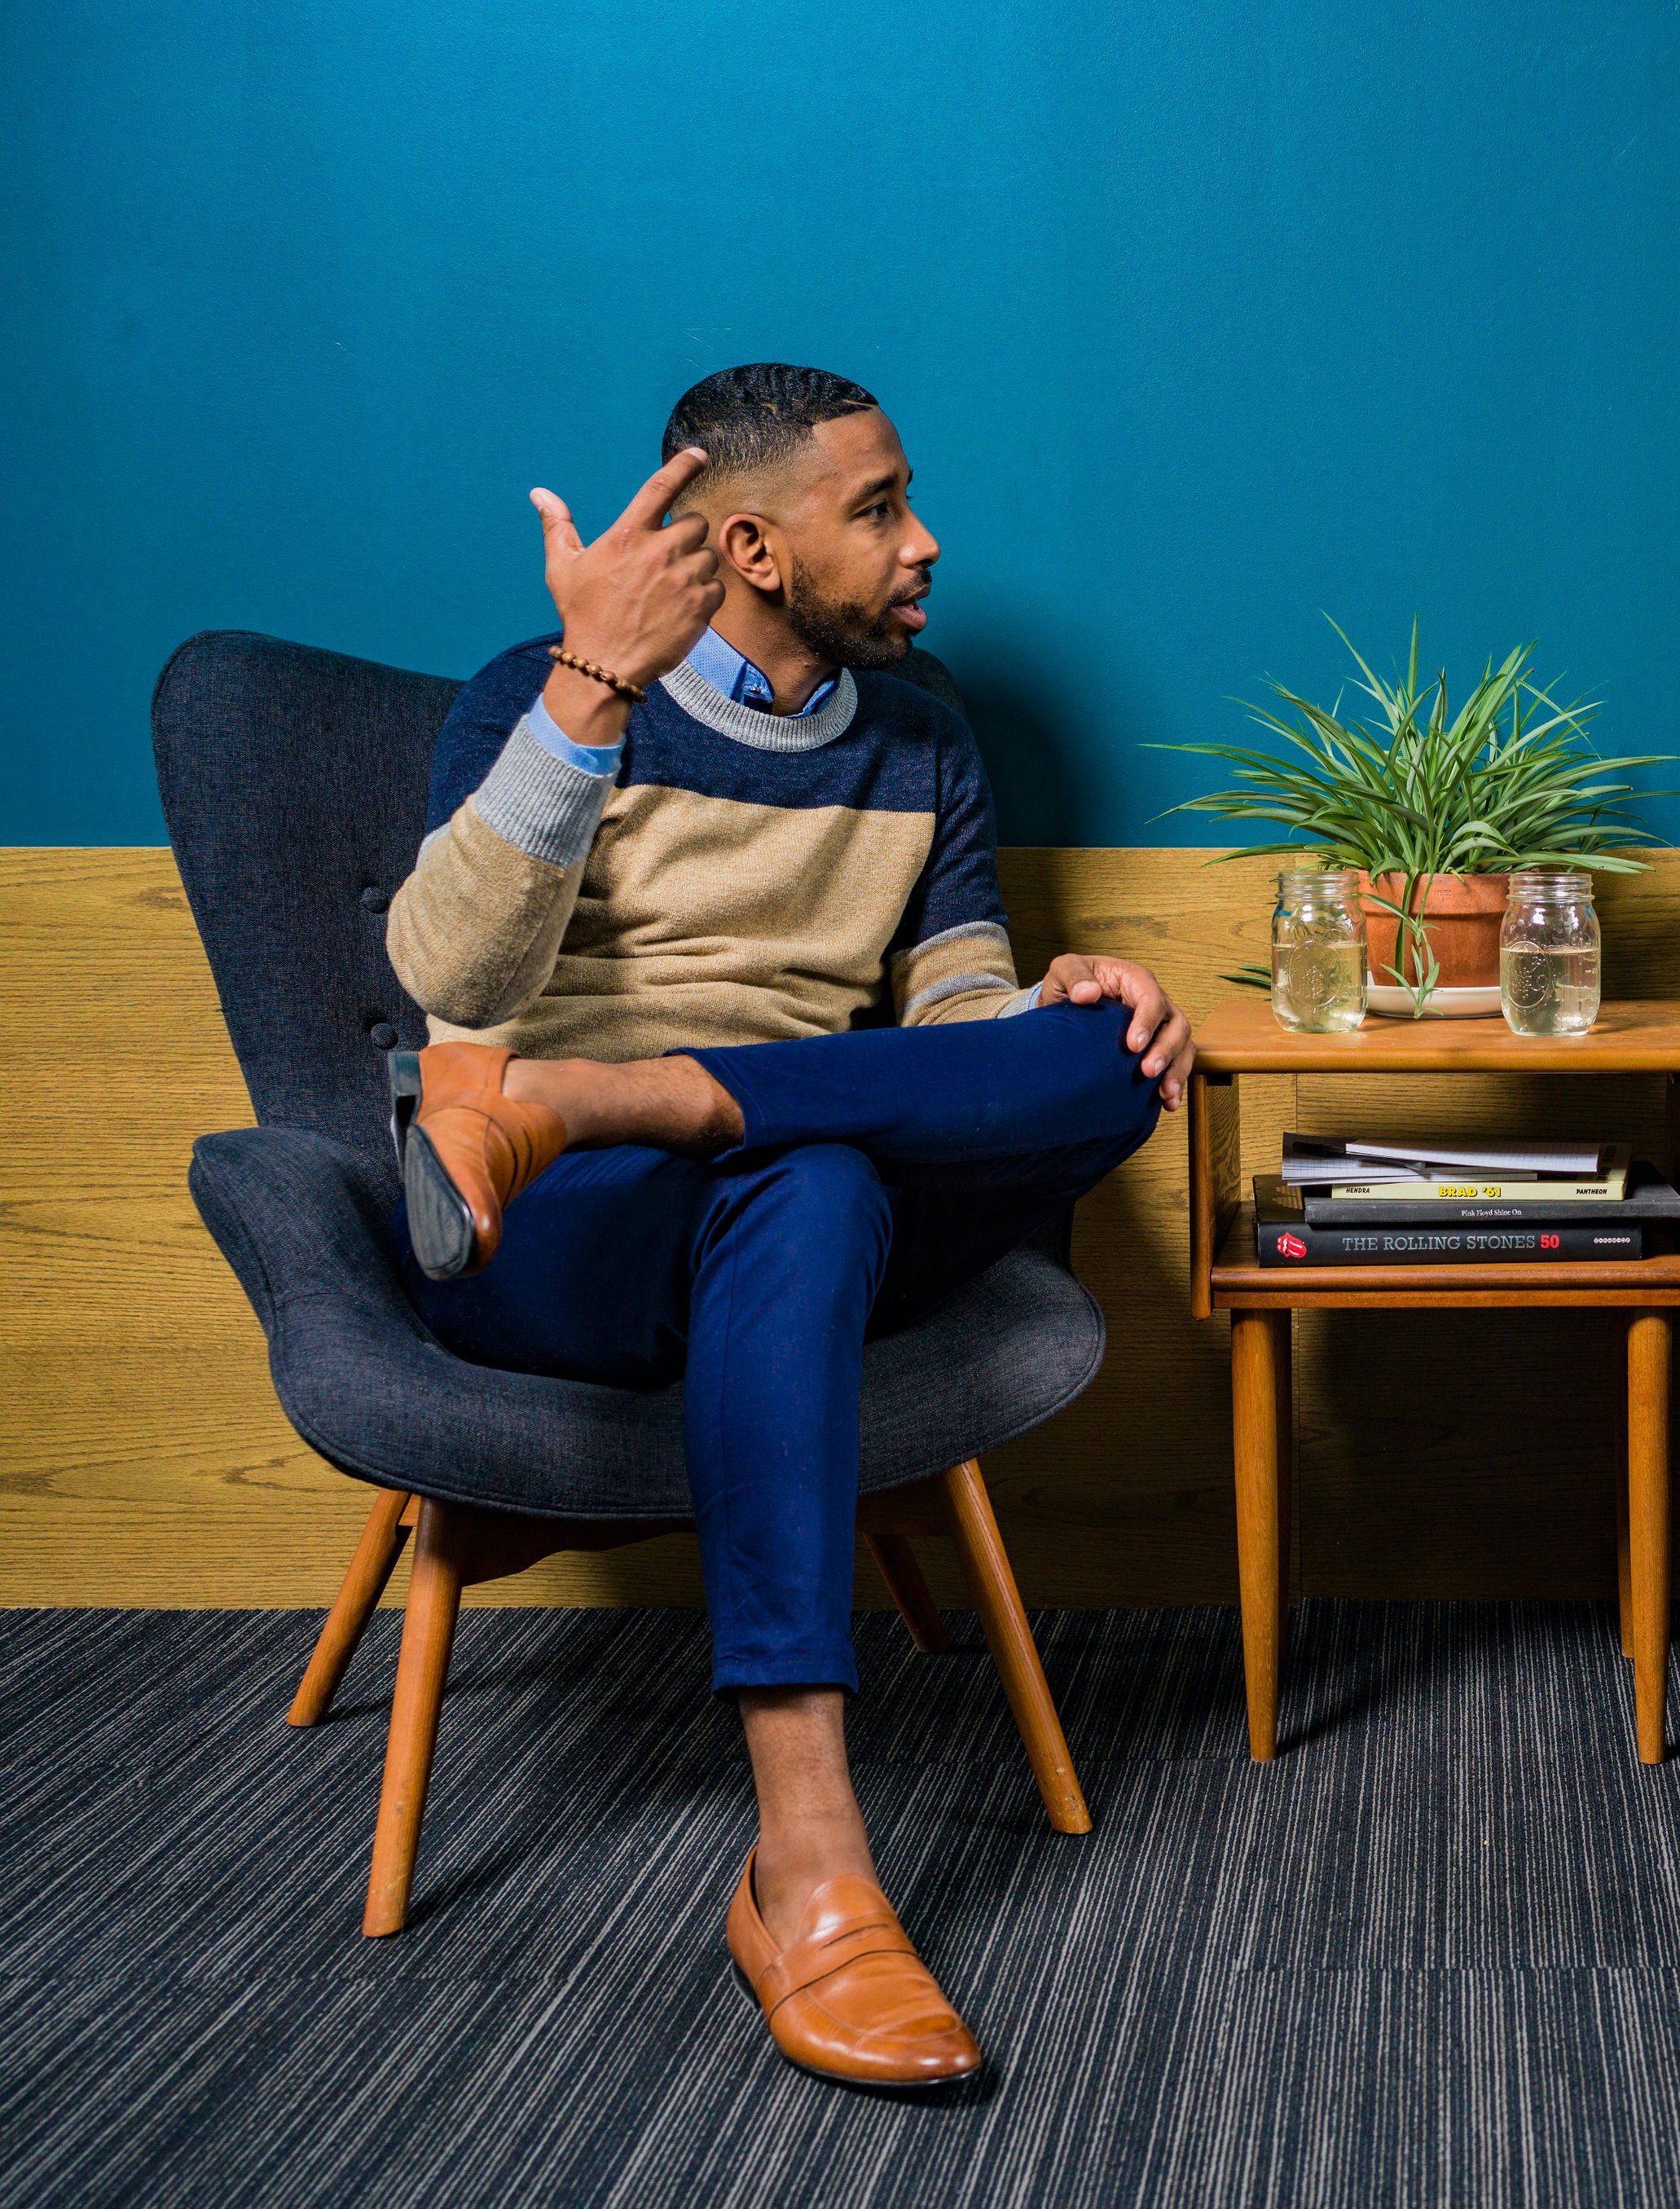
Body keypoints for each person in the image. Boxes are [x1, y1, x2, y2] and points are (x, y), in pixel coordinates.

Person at [383, 363, 1196, 2088]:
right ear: (752, 542)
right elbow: (448, 983)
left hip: (745, 1175)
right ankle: (811, 1858)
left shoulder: (923, 734)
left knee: (1112, 1062)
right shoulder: (542, 699)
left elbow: (952, 987)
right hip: (546, 1227)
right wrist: (592, 693)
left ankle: (615, 1094)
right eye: (881, 509)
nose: (927, 543)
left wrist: (1044, 1005)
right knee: (813, 1176)